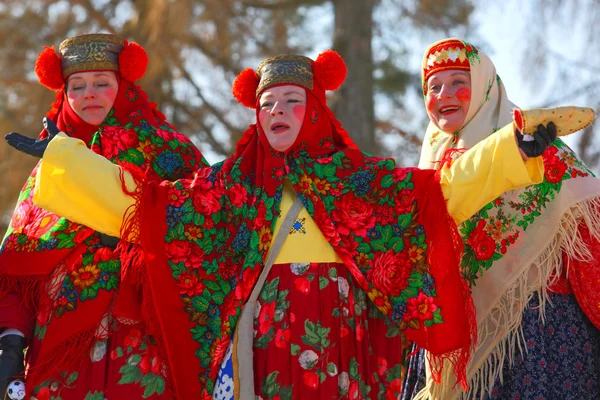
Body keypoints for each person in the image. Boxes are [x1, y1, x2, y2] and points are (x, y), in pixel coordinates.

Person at [6, 50, 558, 400]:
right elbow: (146, 209)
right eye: (267, 103)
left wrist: (512, 149)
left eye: (292, 100)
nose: (277, 111)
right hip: (264, 339)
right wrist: (63, 156)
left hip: (342, 337)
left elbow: (442, 192)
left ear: (315, 109)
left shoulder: (358, 180)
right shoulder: (229, 187)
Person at [0, 33, 205, 399]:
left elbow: (204, 224)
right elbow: (19, 261)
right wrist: (11, 342)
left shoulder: (168, 150)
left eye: (101, 83)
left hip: (142, 341)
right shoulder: (46, 167)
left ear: (124, 86)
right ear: (63, 94)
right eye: (76, 86)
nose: (89, 93)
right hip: (59, 349)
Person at [406, 38, 600, 400]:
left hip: (537, 334)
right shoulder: (429, 163)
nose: (444, 94)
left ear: (484, 87)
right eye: (433, 86)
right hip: (456, 339)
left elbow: (589, 233)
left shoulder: (537, 145)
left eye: (459, 83)